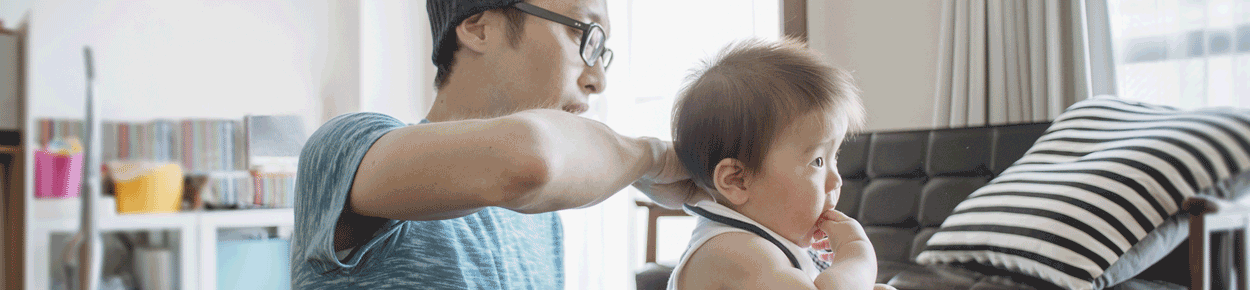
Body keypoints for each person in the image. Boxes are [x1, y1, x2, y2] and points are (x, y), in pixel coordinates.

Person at [291, 0, 696, 288]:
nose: (598, 79)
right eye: (582, 33)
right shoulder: (344, 148)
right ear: (478, 27)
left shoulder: (541, 219)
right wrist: (654, 157)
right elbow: (530, 159)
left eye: (601, 51)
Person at [667, 38, 894, 290]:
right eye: (817, 161)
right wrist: (857, 255)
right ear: (737, 180)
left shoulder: (767, 247)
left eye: (835, 157)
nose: (836, 181)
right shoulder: (736, 252)